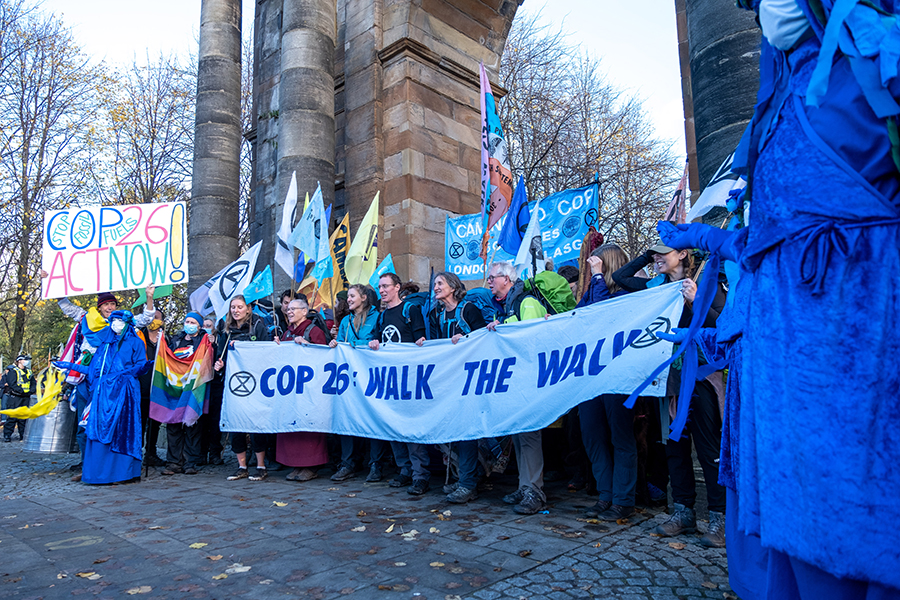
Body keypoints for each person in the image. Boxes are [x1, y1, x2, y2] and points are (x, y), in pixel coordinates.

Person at [614, 242, 727, 546]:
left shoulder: (707, 280)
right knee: (674, 446)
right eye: (652, 254)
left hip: (700, 374)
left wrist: (694, 301)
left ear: (682, 254)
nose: (655, 258)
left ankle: (720, 518)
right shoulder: (657, 286)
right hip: (669, 379)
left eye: (662, 252)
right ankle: (683, 512)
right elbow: (622, 277)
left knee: (707, 447)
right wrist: (645, 256)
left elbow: (724, 325)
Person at [573, 244, 640, 521]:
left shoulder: (629, 292)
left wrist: (598, 277)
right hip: (591, 377)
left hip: (618, 376)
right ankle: (605, 494)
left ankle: (623, 500)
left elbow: (603, 316)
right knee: (592, 434)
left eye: (597, 263)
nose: (591, 267)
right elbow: (578, 317)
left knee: (620, 436)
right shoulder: (591, 291)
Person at [485, 260, 549, 515]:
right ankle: (525, 487)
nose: (489, 282)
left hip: (528, 382)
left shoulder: (526, 303)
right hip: (515, 382)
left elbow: (533, 341)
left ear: (506, 279)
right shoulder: (503, 307)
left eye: (492, 277)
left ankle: (535, 490)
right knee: (521, 436)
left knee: (530, 437)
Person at [60, 310, 149, 485]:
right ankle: (99, 472)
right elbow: (94, 370)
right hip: (103, 395)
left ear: (127, 323)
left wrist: (123, 374)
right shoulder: (105, 344)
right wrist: (69, 366)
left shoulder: (135, 342)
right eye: (112, 320)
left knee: (122, 430)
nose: (115, 323)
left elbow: (140, 366)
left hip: (125, 393)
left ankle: (123, 474)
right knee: (100, 430)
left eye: (118, 320)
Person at [426, 272, 487, 503]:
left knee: (466, 431)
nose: (436, 287)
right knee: (455, 433)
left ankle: (468, 484)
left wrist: (466, 338)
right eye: (434, 284)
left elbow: (484, 338)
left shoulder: (468, 309)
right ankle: (466, 477)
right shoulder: (439, 314)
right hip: (451, 380)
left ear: (452, 286)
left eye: (440, 283)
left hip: (470, 379)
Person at [368, 273, 430, 495]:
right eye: (379, 287)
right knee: (394, 426)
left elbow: (419, 341)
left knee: (411, 426)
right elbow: (377, 339)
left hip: (409, 378)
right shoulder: (382, 316)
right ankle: (404, 469)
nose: (382, 290)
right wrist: (373, 343)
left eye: (386, 286)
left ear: (397, 287)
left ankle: (420, 474)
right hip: (390, 379)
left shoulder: (410, 310)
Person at [329, 284, 385, 482]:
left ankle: (375, 464)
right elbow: (342, 344)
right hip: (350, 377)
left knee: (373, 418)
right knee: (347, 417)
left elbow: (381, 342)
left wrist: (365, 345)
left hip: (371, 376)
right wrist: (335, 344)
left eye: (352, 296)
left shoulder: (377, 317)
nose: (349, 299)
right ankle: (348, 463)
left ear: (363, 298)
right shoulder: (345, 320)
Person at [214, 295, 272, 481]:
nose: (236, 310)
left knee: (256, 425)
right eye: (233, 307)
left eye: (239, 307)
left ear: (248, 309)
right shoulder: (225, 330)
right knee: (236, 424)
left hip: (254, 385)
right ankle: (241, 466)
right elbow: (220, 355)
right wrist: (219, 365)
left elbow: (266, 352)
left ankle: (261, 466)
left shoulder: (258, 326)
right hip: (233, 386)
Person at [275, 298, 330, 482]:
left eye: (293, 309)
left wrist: (308, 345)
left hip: (309, 389)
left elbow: (323, 357)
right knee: (291, 424)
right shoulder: (287, 333)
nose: (289, 312)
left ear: (304, 312)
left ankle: (311, 466)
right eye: (288, 309)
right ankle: (295, 464)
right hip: (290, 389)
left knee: (308, 427)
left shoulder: (314, 331)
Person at [160, 312, 210, 476]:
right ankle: (174, 462)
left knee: (192, 425)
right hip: (175, 388)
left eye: (193, 322)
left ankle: (190, 462)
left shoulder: (205, 342)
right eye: (187, 321)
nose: (189, 324)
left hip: (194, 387)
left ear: (199, 326)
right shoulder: (175, 341)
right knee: (173, 425)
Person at [135, 308, 165, 467]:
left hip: (157, 390)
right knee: (138, 423)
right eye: (151, 317)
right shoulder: (138, 337)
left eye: (157, 318)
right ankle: (135, 453)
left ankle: (151, 453)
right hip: (140, 389)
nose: (154, 320)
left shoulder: (166, 340)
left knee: (155, 425)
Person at [200, 316, 224, 465]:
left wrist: (214, 345)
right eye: (203, 325)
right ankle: (201, 453)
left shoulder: (220, 341)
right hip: (200, 385)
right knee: (202, 421)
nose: (205, 328)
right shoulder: (196, 341)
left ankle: (215, 452)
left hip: (215, 385)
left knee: (215, 420)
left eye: (208, 325)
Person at [2, 354, 35, 442]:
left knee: (23, 418)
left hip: (25, 397)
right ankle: (7, 435)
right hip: (15, 397)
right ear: (19, 361)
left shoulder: (29, 372)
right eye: (25, 360)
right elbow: (12, 384)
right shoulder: (13, 371)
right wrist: (21, 391)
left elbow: (33, 383)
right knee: (12, 417)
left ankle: (23, 435)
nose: (27, 362)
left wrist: (30, 391)